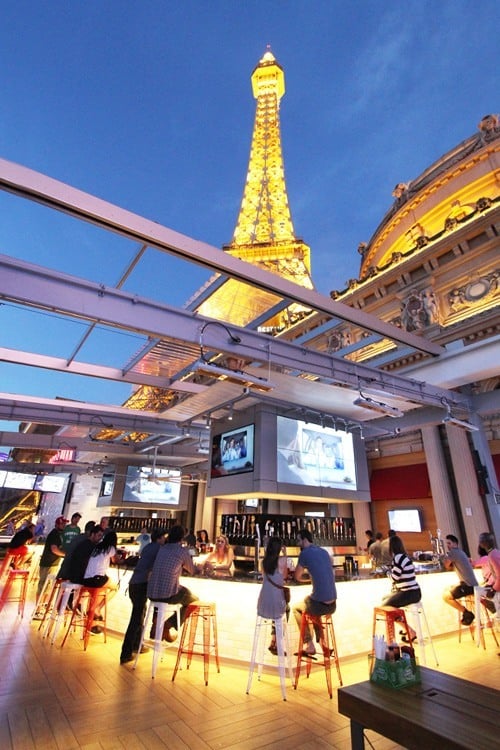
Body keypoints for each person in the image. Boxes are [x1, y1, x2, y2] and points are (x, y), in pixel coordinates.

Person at [120, 528, 166, 664]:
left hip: (134, 583)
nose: (165, 540)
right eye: (164, 537)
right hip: (142, 584)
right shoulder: (158, 548)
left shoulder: (148, 547)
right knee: (136, 618)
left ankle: (137, 645)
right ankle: (126, 652)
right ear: (159, 538)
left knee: (140, 614)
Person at [147, 525, 198, 642]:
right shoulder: (182, 550)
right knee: (194, 601)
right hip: (169, 594)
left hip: (151, 592)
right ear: (182, 538)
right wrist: (201, 568)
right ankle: (167, 625)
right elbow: (192, 570)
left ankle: (155, 628)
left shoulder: (162, 548)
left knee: (160, 596)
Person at [293, 528, 337, 657]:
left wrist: (306, 577)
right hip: (333, 604)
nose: (297, 543)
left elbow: (297, 576)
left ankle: (309, 644)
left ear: (305, 540)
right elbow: (328, 568)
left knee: (296, 608)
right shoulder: (324, 551)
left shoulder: (304, 553)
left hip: (319, 604)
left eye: (298, 540)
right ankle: (324, 644)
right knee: (312, 604)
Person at [381, 534, 421, 642]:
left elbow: (394, 577)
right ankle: (406, 628)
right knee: (385, 600)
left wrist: (387, 572)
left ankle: (409, 631)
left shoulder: (398, 558)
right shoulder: (405, 556)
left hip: (409, 593)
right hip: (414, 592)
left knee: (385, 606)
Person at [257, 536, 289, 655]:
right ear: (280, 548)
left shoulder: (263, 562)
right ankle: (279, 643)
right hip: (276, 606)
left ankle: (273, 640)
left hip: (262, 604)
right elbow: (285, 576)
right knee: (285, 610)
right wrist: (285, 553)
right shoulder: (282, 560)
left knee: (276, 609)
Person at [82, 530, 120, 630]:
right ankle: (96, 609)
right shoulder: (110, 548)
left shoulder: (97, 546)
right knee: (115, 587)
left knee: (102, 588)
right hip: (96, 580)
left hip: (86, 579)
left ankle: (92, 617)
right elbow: (115, 560)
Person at [442, 534, 478, 625]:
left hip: (468, 585)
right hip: (472, 585)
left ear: (455, 544)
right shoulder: (461, 552)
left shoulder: (453, 552)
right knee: (448, 588)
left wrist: (444, 560)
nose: (448, 546)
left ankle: (467, 613)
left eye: (449, 543)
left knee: (446, 597)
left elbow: (446, 565)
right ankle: (466, 613)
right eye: (447, 544)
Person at [35, 516, 68, 611]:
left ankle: (43, 606)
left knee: (48, 586)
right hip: (48, 563)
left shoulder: (58, 534)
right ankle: (37, 609)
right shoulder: (54, 534)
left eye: (64, 524)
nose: (64, 525)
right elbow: (54, 549)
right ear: (57, 524)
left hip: (52, 563)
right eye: (62, 524)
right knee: (43, 586)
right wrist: (66, 555)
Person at [478, 532, 500, 619]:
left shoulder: (492, 555)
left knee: (480, 593)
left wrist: (493, 590)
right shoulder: (495, 553)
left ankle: (496, 611)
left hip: (497, 587)